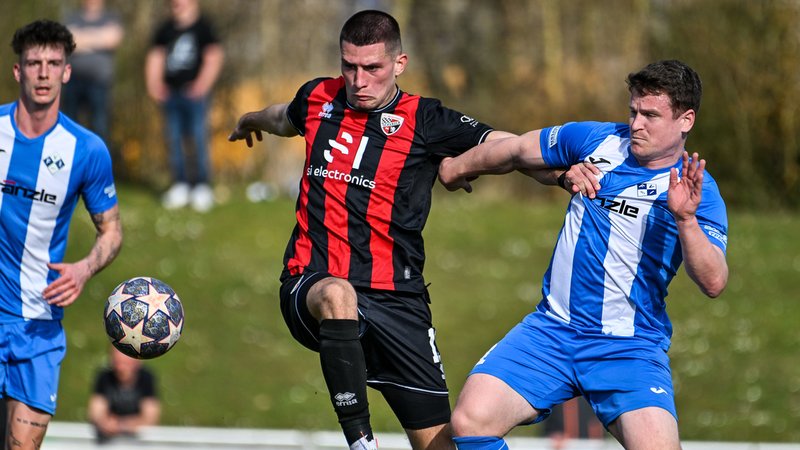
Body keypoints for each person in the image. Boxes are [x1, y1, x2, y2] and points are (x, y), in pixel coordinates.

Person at [226, 10, 582, 450]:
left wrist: (562, 173)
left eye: (372, 68)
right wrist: (250, 120)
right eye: (349, 66)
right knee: (338, 294)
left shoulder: (425, 120)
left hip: (399, 300)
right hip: (312, 281)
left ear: (399, 63)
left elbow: (506, 147)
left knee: (440, 443)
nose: (359, 80)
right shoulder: (319, 96)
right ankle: (361, 442)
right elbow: (283, 116)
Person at [438, 59, 729, 450]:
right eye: (633, 111)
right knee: (470, 421)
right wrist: (456, 167)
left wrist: (686, 220)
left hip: (627, 347)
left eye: (650, 115)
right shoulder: (597, 139)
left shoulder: (698, 191)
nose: (636, 124)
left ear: (686, 120)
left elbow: (714, 281)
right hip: (551, 332)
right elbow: (518, 150)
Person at [0, 19, 123, 450]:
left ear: (67, 71)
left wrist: (84, 269)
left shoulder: (86, 150)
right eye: (34, 63)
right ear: (18, 70)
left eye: (53, 63)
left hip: (38, 325)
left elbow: (111, 230)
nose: (44, 73)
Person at [145, 0, 224, 213]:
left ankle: (201, 186)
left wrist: (202, 85)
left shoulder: (204, 27)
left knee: (198, 138)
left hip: (195, 95)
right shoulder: (164, 30)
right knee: (174, 139)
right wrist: (154, 84)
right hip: (171, 94)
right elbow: (155, 57)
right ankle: (179, 185)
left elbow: (214, 57)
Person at [62, 0, 124, 145]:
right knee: (69, 127)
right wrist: (99, 38)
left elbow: (112, 40)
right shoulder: (71, 17)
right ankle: (73, 159)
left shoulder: (111, 17)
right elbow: (66, 42)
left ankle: (98, 159)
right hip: (72, 81)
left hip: (100, 82)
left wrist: (81, 38)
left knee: (100, 127)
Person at [88, 347, 161, 443]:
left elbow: (150, 417)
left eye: (125, 363)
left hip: (138, 441)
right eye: (117, 363)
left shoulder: (145, 378)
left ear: (137, 363)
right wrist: (104, 423)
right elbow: (96, 413)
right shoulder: (104, 377)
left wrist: (121, 425)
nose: (121, 368)